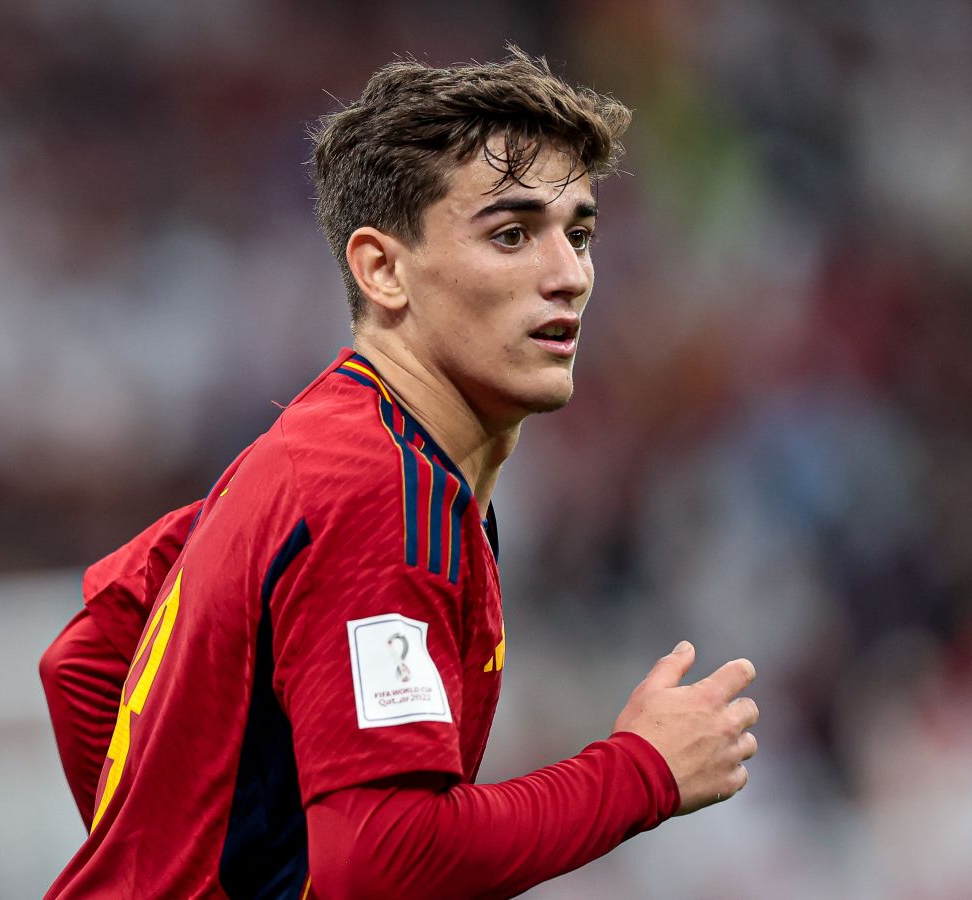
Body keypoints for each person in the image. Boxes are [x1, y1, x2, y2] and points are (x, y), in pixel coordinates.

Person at [39, 46, 759, 899]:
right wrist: (643, 772)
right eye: (511, 234)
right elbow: (385, 855)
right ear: (382, 270)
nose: (568, 276)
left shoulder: (318, 453)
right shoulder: (378, 489)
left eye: (579, 234)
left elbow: (86, 661)